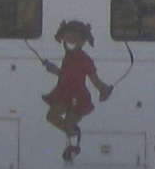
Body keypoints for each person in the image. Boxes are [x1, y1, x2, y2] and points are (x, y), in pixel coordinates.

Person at [42, 20, 113, 161]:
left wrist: (102, 88)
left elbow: (94, 79)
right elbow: (65, 74)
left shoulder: (85, 59)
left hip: (77, 96)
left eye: (73, 39)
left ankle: (73, 145)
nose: (69, 42)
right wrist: (54, 69)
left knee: (68, 121)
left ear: (82, 41)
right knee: (52, 116)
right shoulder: (68, 57)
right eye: (67, 39)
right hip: (63, 92)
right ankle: (73, 133)